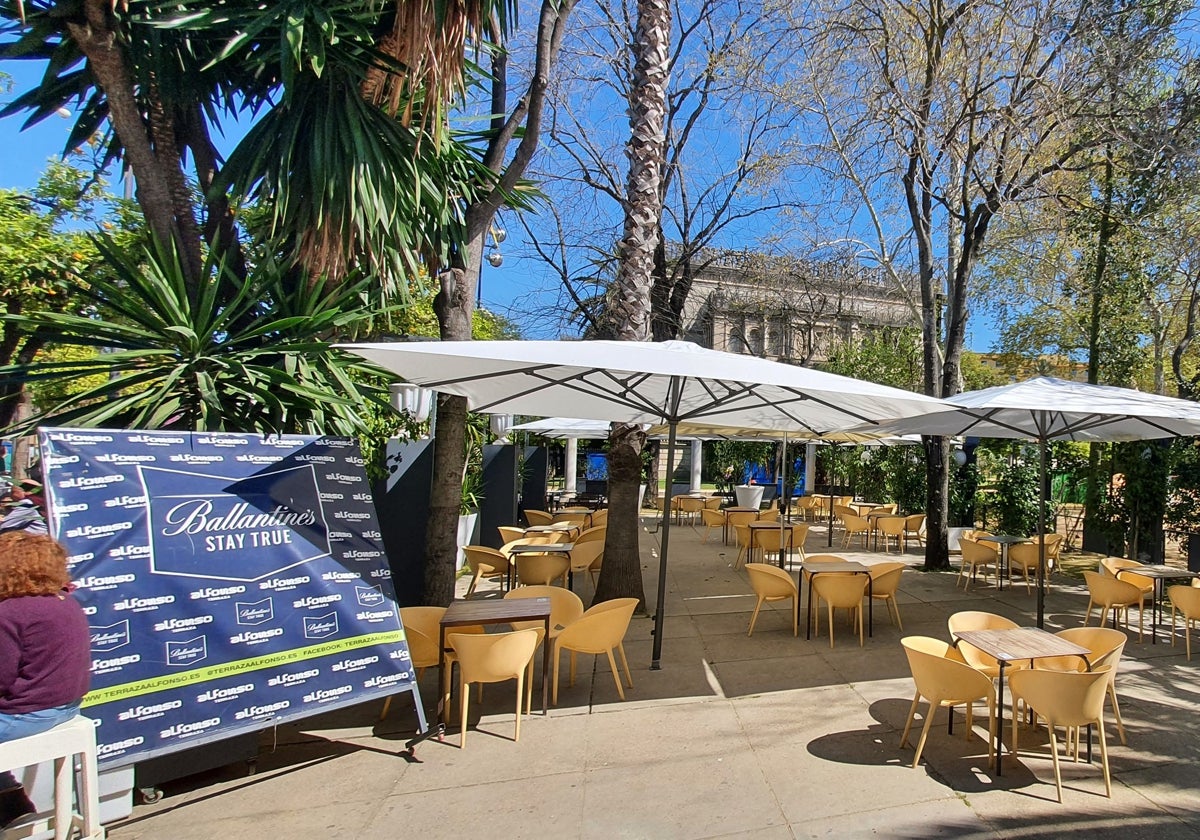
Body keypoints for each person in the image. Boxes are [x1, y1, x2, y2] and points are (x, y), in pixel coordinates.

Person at [0, 532, 92, 828]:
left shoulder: (10, 611)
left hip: (27, 715)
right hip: (66, 707)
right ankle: (11, 798)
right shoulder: (65, 601)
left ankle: (10, 801)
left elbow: (2, 678)